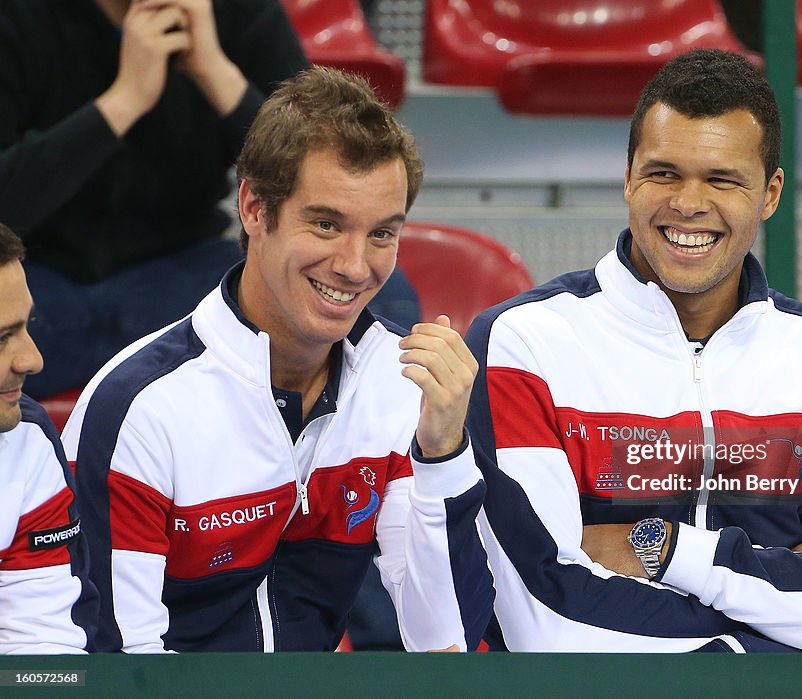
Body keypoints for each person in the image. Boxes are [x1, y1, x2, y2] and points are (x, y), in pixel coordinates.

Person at [465, 49, 802, 653]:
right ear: (628, 178)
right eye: (663, 173)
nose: (688, 203)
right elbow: (550, 622)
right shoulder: (520, 346)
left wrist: (664, 548)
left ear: (769, 194)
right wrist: (779, 625)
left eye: (723, 179)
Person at [61, 67, 493, 653]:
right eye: (325, 223)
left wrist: (444, 453)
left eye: (382, 234)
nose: (354, 265)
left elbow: (443, 640)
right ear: (254, 209)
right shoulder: (138, 409)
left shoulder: (399, 382)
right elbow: (116, 666)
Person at [0, 0, 419, 400]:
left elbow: (310, 174)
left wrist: (214, 71)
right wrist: (123, 102)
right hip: (35, 275)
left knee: (385, 299)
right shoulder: (16, 15)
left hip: (182, 271)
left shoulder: (239, 12)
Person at [0, 223, 97, 654]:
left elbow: (45, 654)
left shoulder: (25, 438)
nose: (32, 359)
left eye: (26, 326)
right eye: (2, 338)